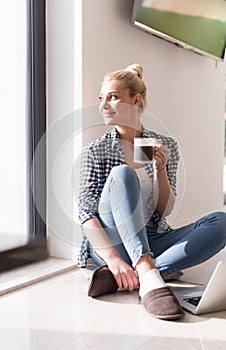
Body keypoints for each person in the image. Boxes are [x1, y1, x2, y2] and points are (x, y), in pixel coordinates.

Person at [77, 63, 226, 320]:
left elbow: (163, 211)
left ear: (135, 101)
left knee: (222, 221)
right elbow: (86, 214)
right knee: (122, 174)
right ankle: (146, 271)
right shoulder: (96, 151)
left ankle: (130, 275)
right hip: (110, 241)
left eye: (113, 97)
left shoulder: (164, 145)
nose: (104, 104)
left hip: (151, 236)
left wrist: (161, 170)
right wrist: (112, 259)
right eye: (101, 98)